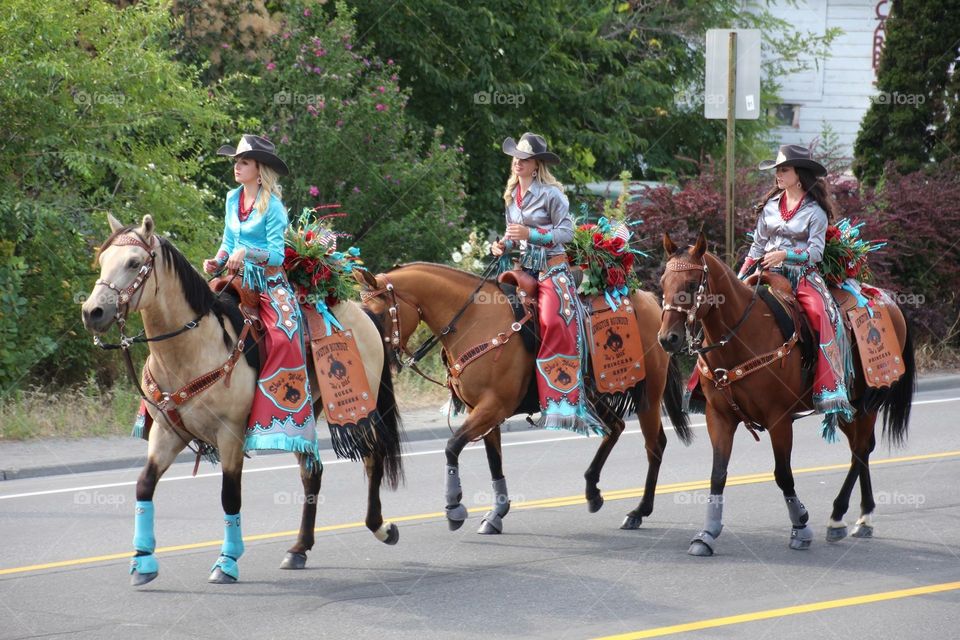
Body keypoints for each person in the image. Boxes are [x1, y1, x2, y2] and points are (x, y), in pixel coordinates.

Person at [203, 134, 318, 460]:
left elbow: (277, 255)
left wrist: (247, 253)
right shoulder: (231, 198)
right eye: (236, 162)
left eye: (244, 162)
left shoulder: (273, 207)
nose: (237, 167)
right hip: (234, 277)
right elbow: (228, 242)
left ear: (259, 170)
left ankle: (282, 412)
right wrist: (217, 261)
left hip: (269, 283)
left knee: (284, 335)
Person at [739, 143, 855, 438]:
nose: (778, 174)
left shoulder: (815, 211)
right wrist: (739, 277)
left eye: (784, 169)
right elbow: (756, 248)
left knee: (822, 314)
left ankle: (829, 385)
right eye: (777, 170)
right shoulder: (769, 206)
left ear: (800, 175)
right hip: (766, 274)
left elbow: (815, 253)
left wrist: (786, 255)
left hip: (802, 276)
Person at [491, 132, 601, 435]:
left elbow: (566, 233)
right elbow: (512, 236)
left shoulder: (552, 195)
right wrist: (501, 246)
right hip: (523, 269)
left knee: (553, 320)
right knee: (493, 309)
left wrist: (532, 235)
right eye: (516, 157)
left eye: (525, 159)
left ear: (536, 164)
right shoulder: (511, 197)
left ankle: (561, 402)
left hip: (553, 269)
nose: (518, 163)